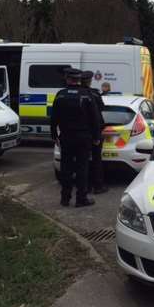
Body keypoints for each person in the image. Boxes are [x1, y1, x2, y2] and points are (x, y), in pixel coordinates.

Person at [51, 68, 102, 207]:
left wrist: (54, 134)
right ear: (79, 79)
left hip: (66, 137)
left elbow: (53, 117)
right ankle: (81, 199)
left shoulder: (60, 95)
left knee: (66, 168)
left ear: (67, 79)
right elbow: (95, 118)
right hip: (83, 138)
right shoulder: (86, 95)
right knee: (82, 168)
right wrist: (96, 136)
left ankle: (65, 199)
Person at [82, 71, 109, 194]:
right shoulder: (94, 93)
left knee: (83, 161)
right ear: (90, 80)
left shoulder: (77, 93)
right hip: (95, 132)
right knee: (96, 160)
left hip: (81, 132)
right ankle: (98, 186)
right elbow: (101, 108)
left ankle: (86, 187)